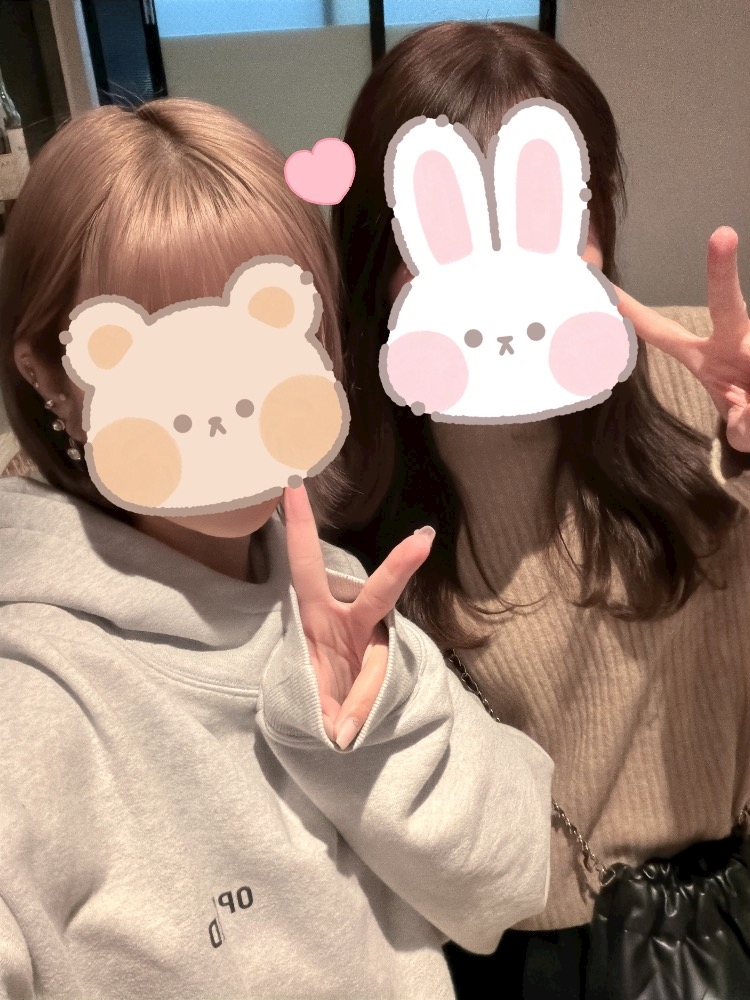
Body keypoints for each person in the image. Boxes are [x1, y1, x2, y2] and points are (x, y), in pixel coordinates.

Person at [0, 98, 555, 999]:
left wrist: (372, 728)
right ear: (46, 374)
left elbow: (512, 881)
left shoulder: (335, 591)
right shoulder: (33, 689)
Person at [330, 20, 750, 998]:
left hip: (724, 920)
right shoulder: (342, 481)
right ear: (380, 251)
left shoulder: (711, 384)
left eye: (545, 221)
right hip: (514, 957)